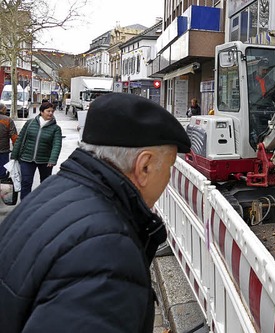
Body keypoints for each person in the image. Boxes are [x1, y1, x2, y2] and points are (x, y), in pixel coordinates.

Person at [0, 93, 191, 332]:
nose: (169, 177)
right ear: (144, 166)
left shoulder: (54, 192)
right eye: (169, 166)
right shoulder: (107, 253)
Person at [10, 101, 62, 200]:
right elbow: (20, 139)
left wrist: (52, 159)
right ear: (41, 112)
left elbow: (57, 145)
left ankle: (41, 204)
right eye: (48, 111)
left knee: (45, 184)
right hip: (26, 158)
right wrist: (14, 156)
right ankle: (24, 205)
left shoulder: (56, 128)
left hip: (45, 161)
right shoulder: (30, 123)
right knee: (26, 182)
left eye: (52, 111)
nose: (50, 113)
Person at [0, 103, 18, 177]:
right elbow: (14, 136)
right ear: (3, 109)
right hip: (3, 149)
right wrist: (16, 149)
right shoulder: (8, 120)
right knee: (2, 169)